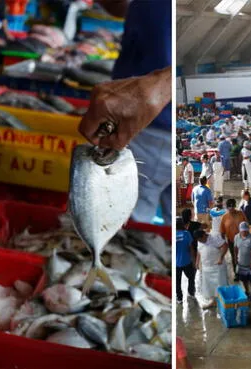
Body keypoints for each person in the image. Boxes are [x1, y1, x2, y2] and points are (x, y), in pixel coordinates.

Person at [78, 0, 171, 225]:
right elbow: (125, 6)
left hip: (150, 126)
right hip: (150, 123)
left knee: (124, 220)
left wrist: (160, 86)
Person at [195, 229, 228, 309]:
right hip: (207, 268)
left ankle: (224, 302)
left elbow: (225, 245)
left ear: (204, 235)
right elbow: (199, 251)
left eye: (200, 239)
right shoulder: (199, 241)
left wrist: (221, 257)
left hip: (217, 267)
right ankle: (213, 302)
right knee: (210, 287)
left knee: (220, 285)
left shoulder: (214, 238)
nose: (200, 241)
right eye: (198, 240)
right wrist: (197, 261)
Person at [220, 198, 247, 281]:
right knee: (234, 257)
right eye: (229, 207)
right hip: (231, 241)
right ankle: (237, 273)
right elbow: (222, 231)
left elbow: (246, 226)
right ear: (227, 207)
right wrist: (224, 242)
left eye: (232, 206)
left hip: (242, 240)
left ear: (235, 206)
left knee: (243, 256)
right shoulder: (224, 217)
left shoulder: (241, 214)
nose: (231, 208)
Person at [235, 222, 251, 302]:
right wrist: (235, 258)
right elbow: (235, 248)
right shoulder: (236, 237)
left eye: (246, 231)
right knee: (244, 279)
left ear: (248, 230)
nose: (244, 232)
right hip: (241, 263)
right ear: (240, 230)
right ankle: (247, 291)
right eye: (243, 231)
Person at [176, 218, 196, 304]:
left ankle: (179, 298)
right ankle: (191, 292)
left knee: (177, 281)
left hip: (176, 264)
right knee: (191, 278)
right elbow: (191, 249)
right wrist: (194, 261)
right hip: (187, 261)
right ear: (183, 225)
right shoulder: (187, 234)